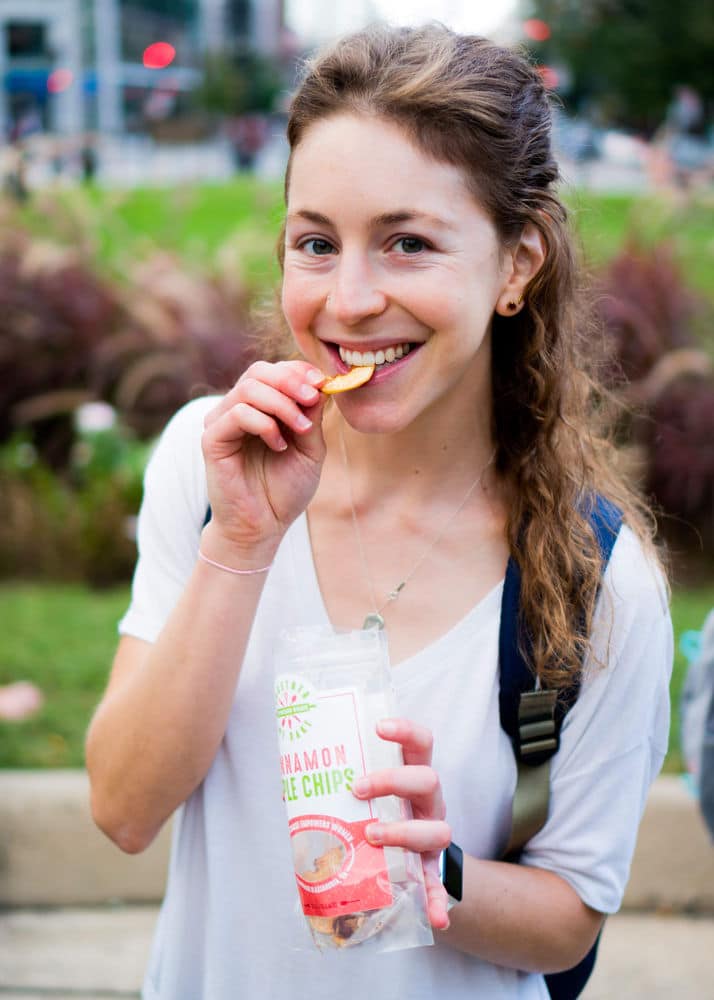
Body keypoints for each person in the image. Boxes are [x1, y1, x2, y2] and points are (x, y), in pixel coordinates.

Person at [86, 23, 672, 1000]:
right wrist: (240, 546)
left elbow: (570, 920)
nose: (349, 299)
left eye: (408, 242)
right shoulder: (209, 463)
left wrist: (438, 871)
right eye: (316, 242)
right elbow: (124, 807)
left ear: (517, 263)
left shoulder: (598, 580)